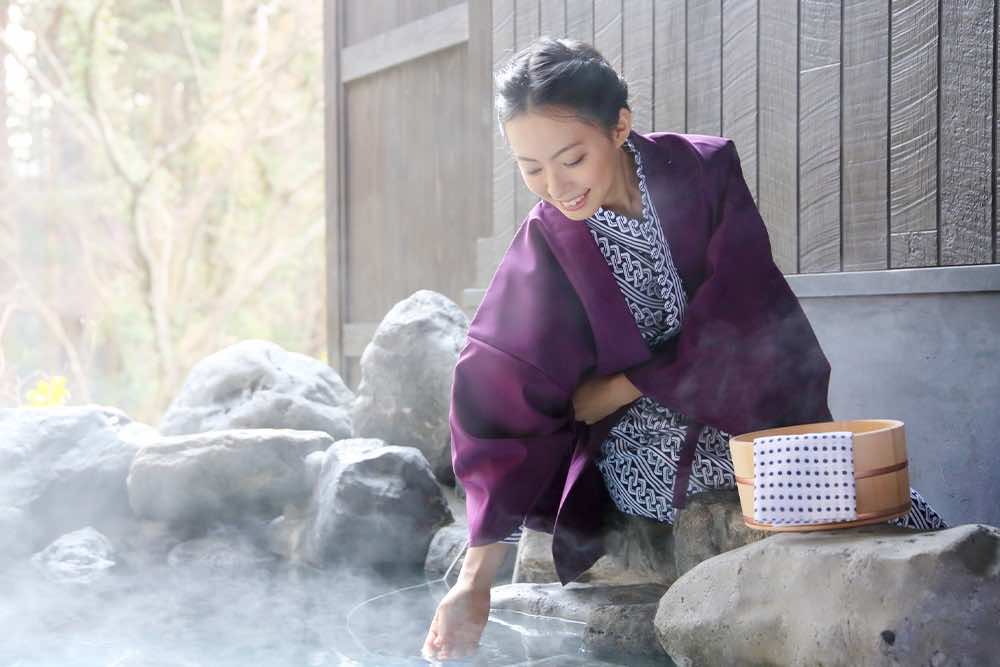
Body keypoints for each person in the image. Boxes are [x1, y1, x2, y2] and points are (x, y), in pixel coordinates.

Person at [421, 37, 946, 662]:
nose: (557, 186)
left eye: (571, 158)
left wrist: (627, 382)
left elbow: (743, 306)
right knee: (822, 493)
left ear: (620, 126)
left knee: (876, 492)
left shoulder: (703, 170)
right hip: (643, 445)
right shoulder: (545, 242)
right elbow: (498, 387)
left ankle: (944, 584)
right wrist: (473, 581)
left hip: (746, 401)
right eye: (531, 169)